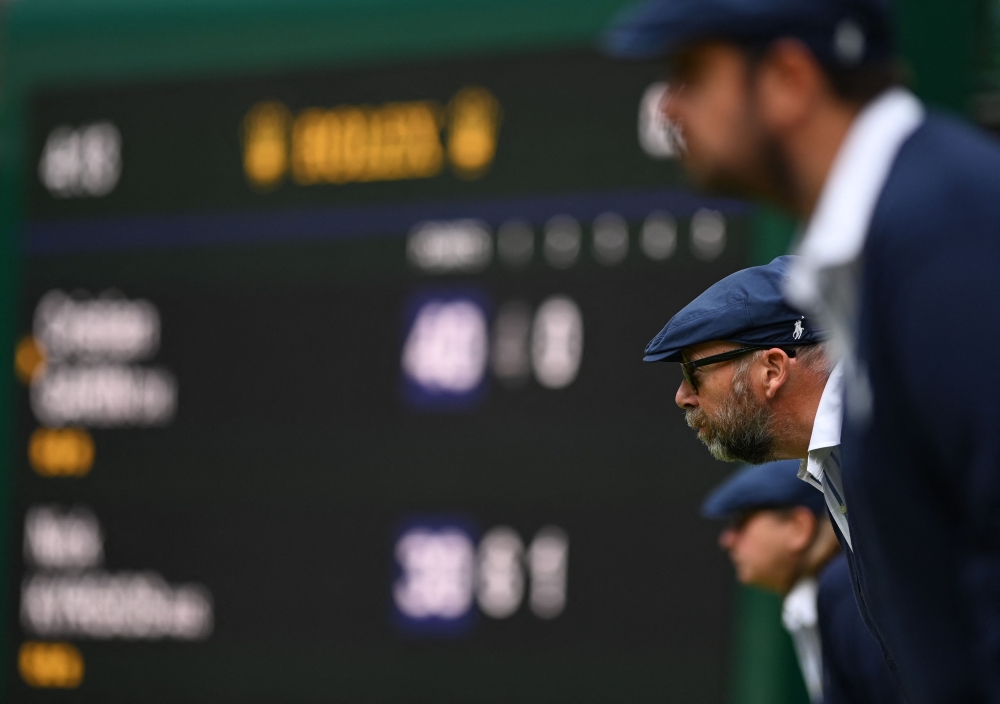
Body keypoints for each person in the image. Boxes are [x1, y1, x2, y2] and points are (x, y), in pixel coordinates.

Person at [606, 1, 1000, 701]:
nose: (668, 106)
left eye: (693, 73)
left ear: (789, 76)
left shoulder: (953, 231)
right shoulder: (898, 239)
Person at [703, 460, 902, 704]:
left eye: (741, 521)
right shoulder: (820, 596)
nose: (727, 540)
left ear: (799, 527)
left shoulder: (847, 591)